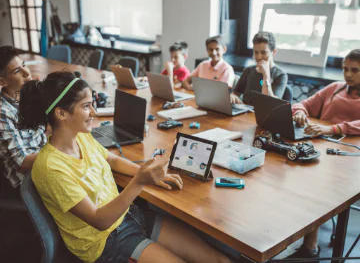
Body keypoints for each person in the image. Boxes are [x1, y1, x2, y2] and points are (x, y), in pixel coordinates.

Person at [18, 71, 232, 263]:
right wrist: (140, 182)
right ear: (61, 113)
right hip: (105, 243)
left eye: (92, 104)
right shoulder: (50, 169)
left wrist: (146, 172)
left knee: (218, 259)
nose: (94, 112)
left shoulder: (81, 137)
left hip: (130, 216)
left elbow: (111, 160)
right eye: (86, 106)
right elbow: (99, 220)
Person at [287, 49, 360, 261]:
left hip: (349, 157)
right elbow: (303, 104)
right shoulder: (335, 88)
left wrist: (332, 129)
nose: (348, 75)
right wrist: (300, 112)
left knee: (315, 186)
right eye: (345, 69)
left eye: (355, 70)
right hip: (321, 148)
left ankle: (309, 248)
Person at [0, 46, 47, 189]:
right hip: (26, 182)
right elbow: (22, 163)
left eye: (24, 65)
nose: (27, 73)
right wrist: (59, 152)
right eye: (17, 71)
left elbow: (46, 130)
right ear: (2, 82)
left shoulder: (27, 96)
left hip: (46, 164)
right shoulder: (3, 113)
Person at [230, 31, 288, 105]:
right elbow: (236, 92)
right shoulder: (248, 70)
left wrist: (266, 75)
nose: (259, 57)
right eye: (256, 52)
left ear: (273, 52)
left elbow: (271, 104)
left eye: (263, 53)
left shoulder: (280, 75)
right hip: (245, 113)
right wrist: (233, 96)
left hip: (264, 115)